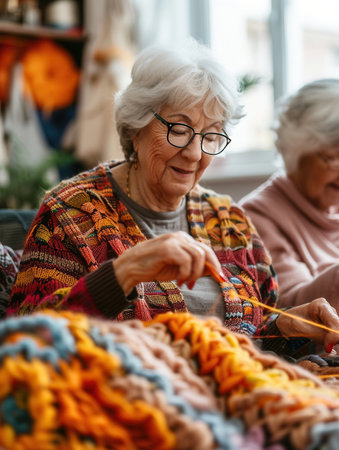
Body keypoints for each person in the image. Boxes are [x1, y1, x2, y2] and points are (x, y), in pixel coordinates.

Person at [7, 42, 339, 354]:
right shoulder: (70, 213)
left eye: (211, 135)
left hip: (233, 394)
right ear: (136, 126)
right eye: (179, 130)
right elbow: (29, 342)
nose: (195, 153)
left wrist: (287, 327)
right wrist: (124, 272)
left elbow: (254, 339)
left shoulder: (229, 221)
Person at [240, 79, 339, 316]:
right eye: (331, 157)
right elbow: (290, 311)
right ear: (296, 151)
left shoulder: (333, 204)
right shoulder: (256, 217)